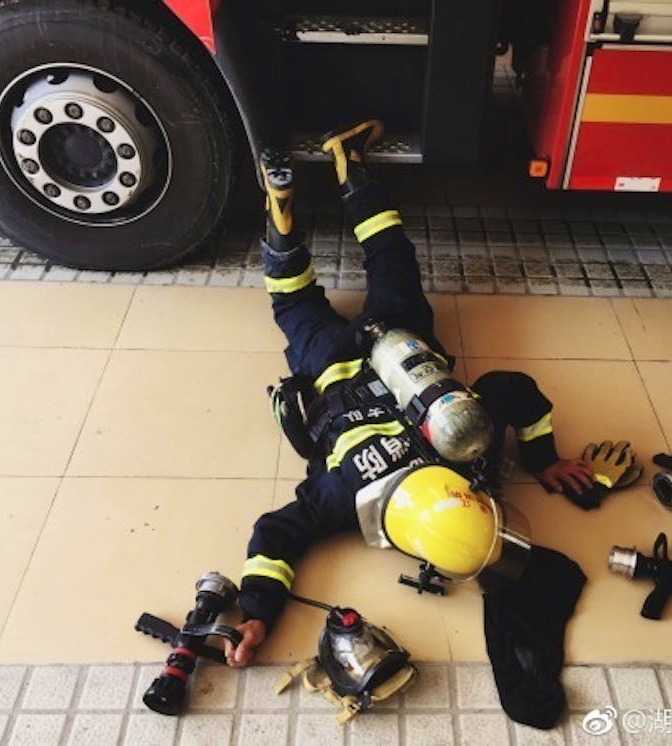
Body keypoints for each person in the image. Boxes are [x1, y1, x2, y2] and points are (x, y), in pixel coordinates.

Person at [223, 120, 611, 668]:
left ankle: (350, 166)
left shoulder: (464, 442)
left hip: (398, 340)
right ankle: (282, 220)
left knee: (392, 260)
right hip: (331, 364)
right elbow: (276, 533)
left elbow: (514, 389)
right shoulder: (345, 494)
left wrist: (542, 458)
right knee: (294, 304)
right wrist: (257, 612)